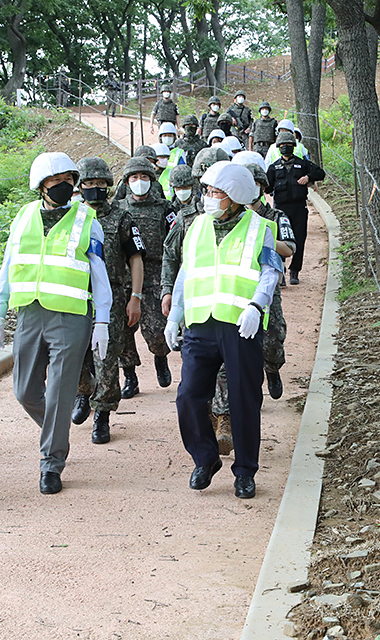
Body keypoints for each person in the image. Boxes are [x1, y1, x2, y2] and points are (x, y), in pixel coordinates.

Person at [0, 152, 112, 495]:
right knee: (24, 391)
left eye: (69, 180)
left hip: (72, 315)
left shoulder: (87, 220)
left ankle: (51, 462)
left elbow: (100, 276)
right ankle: (56, 430)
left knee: (60, 391)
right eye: (56, 181)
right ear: (40, 186)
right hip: (30, 313)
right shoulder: (24, 217)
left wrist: (101, 320)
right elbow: (8, 265)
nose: (65, 186)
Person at [164, 162, 282, 499]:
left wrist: (257, 306)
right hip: (200, 324)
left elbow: (271, 273)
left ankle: (245, 471)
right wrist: (176, 316)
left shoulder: (259, 228)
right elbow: (187, 273)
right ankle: (205, 458)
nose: (208, 198)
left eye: (215, 193)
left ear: (234, 197)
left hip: (239, 324)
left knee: (244, 399)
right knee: (188, 395)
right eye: (208, 191)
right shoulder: (198, 226)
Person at [159, 147, 232, 454]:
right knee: (198, 375)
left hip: (230, 305)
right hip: (197, 304)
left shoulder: (245, 219)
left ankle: (226, 420)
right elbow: (172, 257)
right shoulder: (187, 218)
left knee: (227, 369)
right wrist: (168, 293)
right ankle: (208, 425)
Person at [70, 157, 145, 444]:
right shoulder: (71, 218)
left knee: (105, 358)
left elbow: (135, 259)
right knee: (75, 354)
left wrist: (135, 297)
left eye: (101, 184)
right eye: (89, 183)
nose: (95, 188)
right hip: (76, 296)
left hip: (112, 297)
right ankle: (83, 391)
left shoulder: (122, 217)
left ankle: (102, 413)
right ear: (81, 186)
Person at [116, 157, 177, 399]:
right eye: (134, 178)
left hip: (155, 275)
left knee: (156, 331)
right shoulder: (118, 209)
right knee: (123, 330)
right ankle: (130, 376)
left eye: (144, 178)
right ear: (126, 182)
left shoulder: (165, 208)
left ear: (152, 181)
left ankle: (160, 356)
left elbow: (174, 243)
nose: (139, 182)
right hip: (124, 276)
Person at [243, 162, 296, 399]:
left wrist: (262, 236)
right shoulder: (233, 219)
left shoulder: (275, 216)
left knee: (273, 340)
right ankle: (253, 387)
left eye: (255, 184)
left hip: (269, 286)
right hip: (241, 286)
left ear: (262, 187)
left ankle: (272, 370)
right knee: (244, 341)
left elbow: (289, 249)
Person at [266, 131, 326, 285]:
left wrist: (308, 178)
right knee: (281, 241)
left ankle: (294, 271)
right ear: (279, 148)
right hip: (280, 211)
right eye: (283, 145)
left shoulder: (302, 164)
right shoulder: (274, 167)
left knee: (299, 240)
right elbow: (266, 187)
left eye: (289, 145)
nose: (286, 147)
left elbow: (320, 173)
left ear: (294, 146)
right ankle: (281, 272)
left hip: (299, 208)